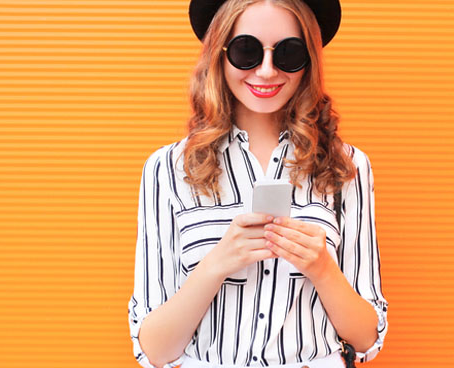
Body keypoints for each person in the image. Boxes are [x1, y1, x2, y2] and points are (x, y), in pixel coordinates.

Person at [128, 1, 387, 367]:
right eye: (246, 51)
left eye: (288, 53)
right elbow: (153, 349)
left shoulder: (347, 166)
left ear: (308, 62)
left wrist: (322, 268)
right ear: (219, 54)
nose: (267, 71)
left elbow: (367, 338)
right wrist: (217, 263)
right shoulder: (167, 169)